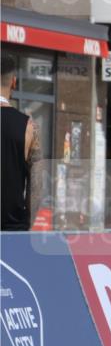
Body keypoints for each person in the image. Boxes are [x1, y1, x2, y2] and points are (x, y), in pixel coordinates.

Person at [1, 53, 42, 230]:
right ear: (14, 82)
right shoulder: (29, 127)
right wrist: (27, 224)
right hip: (12, 230)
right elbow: (37, 186)